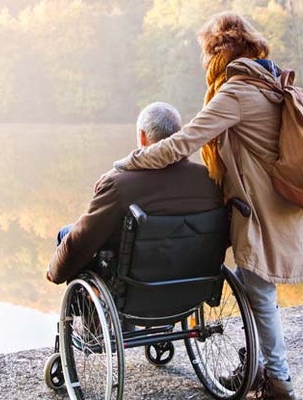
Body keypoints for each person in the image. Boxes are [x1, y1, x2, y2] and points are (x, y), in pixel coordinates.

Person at [111, 12, 303, 400]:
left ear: (219, 52)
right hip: (283, 205)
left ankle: (278, 380)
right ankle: (257, 367)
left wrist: (130, 161)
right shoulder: (268, 81)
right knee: (253, 287)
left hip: (261, 212)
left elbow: (183, 143)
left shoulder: (237, 92)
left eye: (206, 53)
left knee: (259, 293)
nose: (204, 61)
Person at [45, 102, 222, 284]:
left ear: (142, 136)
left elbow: (83, 240)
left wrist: (55, 272)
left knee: (67, 234)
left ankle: (84, 300)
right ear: (179, 135)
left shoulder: (118, 185)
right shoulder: (210, 179)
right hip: (192, 283)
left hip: (135, 286)